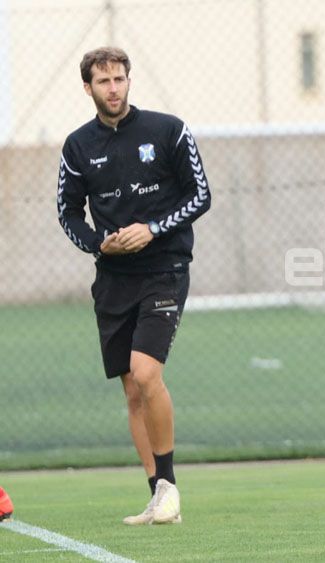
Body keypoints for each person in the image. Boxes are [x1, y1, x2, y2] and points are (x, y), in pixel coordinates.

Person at [57, 46, 211, 525]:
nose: (113, 88)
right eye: (103, 82)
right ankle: (158, 496)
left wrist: (154, 228)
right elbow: (67, 213)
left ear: (128, 80)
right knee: (131, 390)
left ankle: (169, 485)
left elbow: (200, 194)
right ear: (88, 88)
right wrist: (100, 244)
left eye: (119, 79)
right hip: (113, 279)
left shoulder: (168, 130)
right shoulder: (77, 146)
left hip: (165, 269)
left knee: (147, 374)